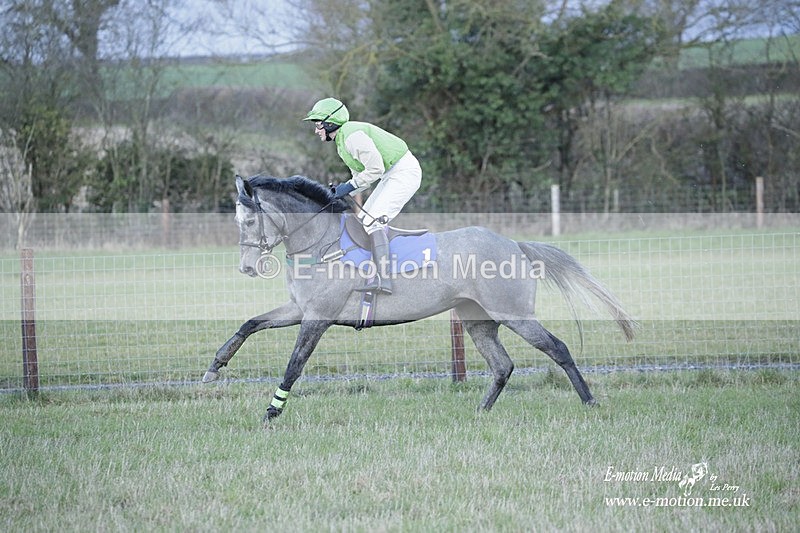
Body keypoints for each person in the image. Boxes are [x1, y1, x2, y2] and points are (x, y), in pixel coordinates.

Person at [303, 97, 422, 295]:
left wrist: (347, 187)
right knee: (365, 220)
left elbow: (375, 169)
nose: (316, 130)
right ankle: (372, 272)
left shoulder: (351, 136)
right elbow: (361, 178)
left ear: (330, 122)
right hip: (390, 174)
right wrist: (337, 193)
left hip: (404, 171)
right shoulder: (341, 143)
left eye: (318, 125)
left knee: (373, 221)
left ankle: (385, 279)